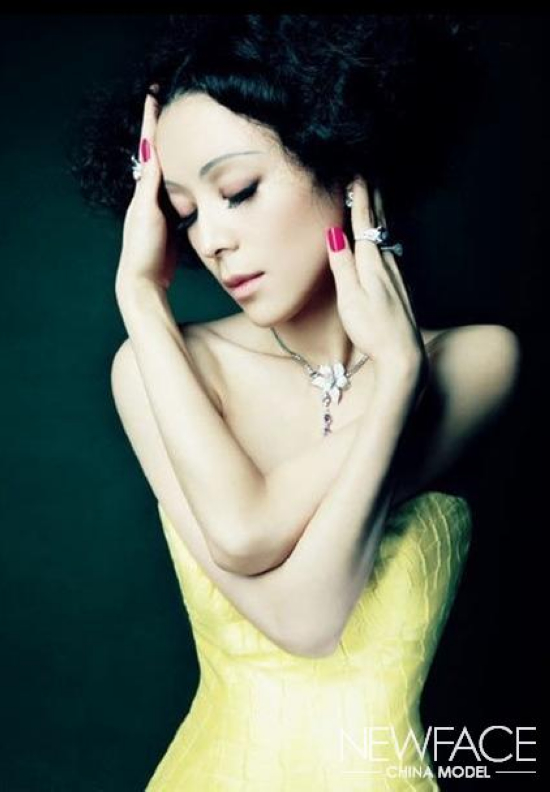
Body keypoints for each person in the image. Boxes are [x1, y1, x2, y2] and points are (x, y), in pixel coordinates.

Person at [70, 14, 521, 790]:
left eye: (237, 191)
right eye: (184, 213)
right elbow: (249, 540)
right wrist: (138, 296)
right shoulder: (158, 366)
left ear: (344, 166)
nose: (209, 240)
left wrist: (400, 372)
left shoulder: (477, 360)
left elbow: (312, 611)